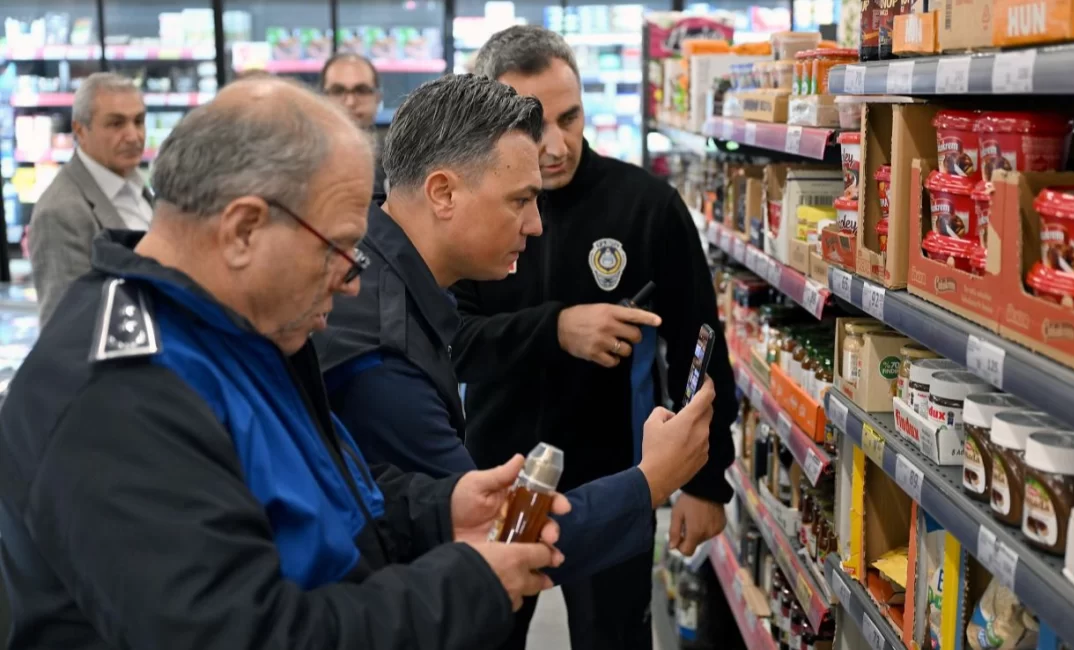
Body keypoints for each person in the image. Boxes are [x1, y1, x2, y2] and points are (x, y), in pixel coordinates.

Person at [0, 76, 567, 649]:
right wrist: (463, 585)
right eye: (338, 249)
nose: (352, 281)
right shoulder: (120, 397)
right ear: (244, 229)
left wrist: (437, 511)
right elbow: (243, 635)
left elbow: (302, 494)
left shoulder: (229, 330)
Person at [313, 74, 714, 590]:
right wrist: (652, 479)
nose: (536, 225)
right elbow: (501, 538)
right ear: (443, 193)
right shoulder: (385, 357)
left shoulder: (378, 269)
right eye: (520, 200)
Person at [454, 26, 738, 649]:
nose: (555, 145)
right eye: (533, 124)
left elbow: (701, 344)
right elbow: (453, 342)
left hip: (616, 484)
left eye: (570, 116)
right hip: (492, 486)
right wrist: (557, 328)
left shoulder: (648, 207)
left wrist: (706, 479)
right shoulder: (469, 210)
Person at [29, 72, 152, 325]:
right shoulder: (60, 212)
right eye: (116, 124)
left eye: (138, 121)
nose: (133, 136)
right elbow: (64, 325)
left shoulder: (138, 183)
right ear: (80, 130)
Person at [320, 52, 387, 202]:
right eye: (338, 91)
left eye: (361, 90)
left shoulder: (400, 167)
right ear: (322, 98)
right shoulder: (300, 165)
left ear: (377, 98)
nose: (350, 102)